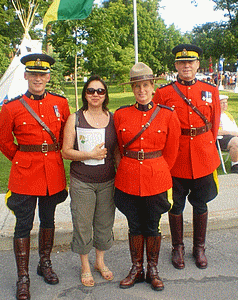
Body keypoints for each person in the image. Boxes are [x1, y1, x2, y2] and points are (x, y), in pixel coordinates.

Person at [0, 53, 70, 300]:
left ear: (48, 77)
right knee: (23, 224)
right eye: (33, 74)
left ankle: (44, 264)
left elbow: (68, 133)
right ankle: (23, 277)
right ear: (26, 76)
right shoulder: (12, 107)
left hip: (52, 173)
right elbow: (2, 139)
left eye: (43, 74)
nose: (38, 78)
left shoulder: (61, 103)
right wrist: (20, 158)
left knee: (48, 220)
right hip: (25, 174)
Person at [153, 44, 221, 271]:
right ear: (176, 66)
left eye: (190, 62)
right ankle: (178, 247)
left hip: (203, 154)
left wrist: (208, 148)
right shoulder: (164, 93)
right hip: (176, 157)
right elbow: (158, 124)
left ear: (197, 64)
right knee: (176, 204)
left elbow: (215, 122)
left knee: (200, 203)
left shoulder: (210, 90)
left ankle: (199, 247)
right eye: (182, 63)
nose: (186, 66)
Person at [114, 62, 181, 291]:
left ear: (153, 87)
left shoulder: (167, 115)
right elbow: (119, 148)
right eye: (136, 86)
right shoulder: (121, 115)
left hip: (156, 177)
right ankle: (136, 268)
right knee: (134, 225)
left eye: (145, 85)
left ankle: (152, 269)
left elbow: (171, 152)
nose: (141, 90)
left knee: (153, 225)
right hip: (129, 176)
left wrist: (158, 169)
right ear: (132, 89)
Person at [61, 75, 118, 287]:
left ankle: (99, 262)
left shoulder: (112, 118)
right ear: (85, 94)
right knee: (83, 224)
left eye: (100, 91)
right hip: (82, 181)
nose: (95, 94)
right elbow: (65, 152)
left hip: (107, 181)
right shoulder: (75, 118)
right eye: (91, 90)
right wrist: (89, 155)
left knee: (104, 223)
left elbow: (117, 151)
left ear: (105, 95)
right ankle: (85, 265)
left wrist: (121, 173)